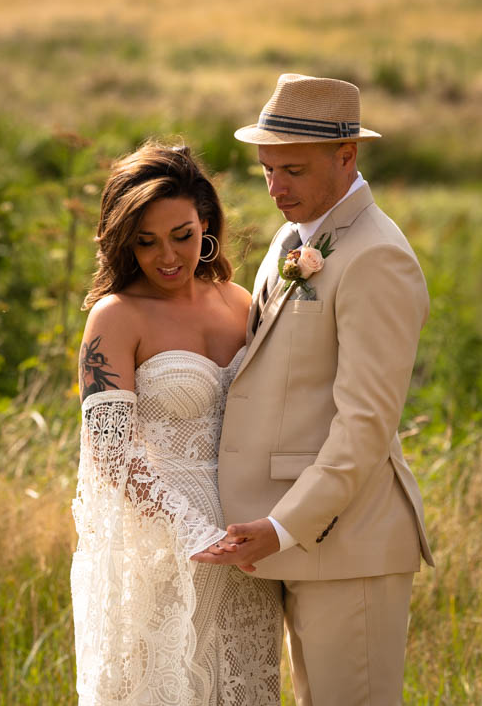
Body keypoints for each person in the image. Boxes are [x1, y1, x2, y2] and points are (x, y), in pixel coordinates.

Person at [191, 74, 435, 705]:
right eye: (267, 171)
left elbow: (365, 427)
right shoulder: (287, 239)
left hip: (348, 544)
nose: (275, 189)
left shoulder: (378, 256)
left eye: (292, 170)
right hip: (291, 542)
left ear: (347, 156)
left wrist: (283, 524)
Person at [71, 141, 283, 705]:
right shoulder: (116, 315)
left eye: (182, 236)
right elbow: (111, 448)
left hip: (247, 548)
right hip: (166, 548)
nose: (167, 256)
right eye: (146, 242)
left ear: (206, 222)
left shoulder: (241, 302)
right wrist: (191, 531)